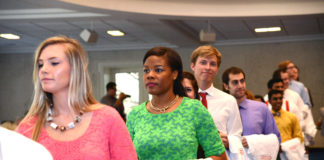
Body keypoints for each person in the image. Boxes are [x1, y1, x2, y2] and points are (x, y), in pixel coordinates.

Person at [17, 36, 137, 160]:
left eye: (54, 63)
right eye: (40, 65)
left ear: (75, 68)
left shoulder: (107, 118)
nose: (44, 70)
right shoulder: (28, 127)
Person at [126, 46, 227, 160]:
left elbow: (220, 156)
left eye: (158, 70)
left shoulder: (194, 109)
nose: (150, 75)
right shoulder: (135, 114)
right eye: (146, 70)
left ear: (174, 74)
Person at [190, 45, 242, 159]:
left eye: (213, 64)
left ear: (217, 69)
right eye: (203, 62)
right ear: (193, 66)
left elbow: (236, 135)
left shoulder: (229, 100)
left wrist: (229, 142)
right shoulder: (182, 98)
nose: (208, 67)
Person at [222, 67, 281, 156]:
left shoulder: (261, 108)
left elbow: (275, 140)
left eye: (242, 81)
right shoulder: (221, 111)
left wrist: (253, 142)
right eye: (235, 82)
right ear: (226, 86)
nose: (240, 85)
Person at [268, 90, 304, 159]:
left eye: (280, 98)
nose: (278, 101)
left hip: (289, 153)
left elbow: (299, 137)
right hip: (271, 153)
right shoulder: (266, 118)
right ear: (269, 101)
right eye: (275, 99)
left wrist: (286, 146)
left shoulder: (292, 117)